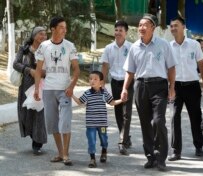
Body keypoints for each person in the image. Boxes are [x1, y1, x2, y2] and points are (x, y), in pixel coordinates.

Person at [121, 14, 177, 171]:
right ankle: (150, 156)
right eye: (139, 25)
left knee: (158, 121)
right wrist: (125, 88)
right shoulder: (134, 47)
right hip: (140, 86)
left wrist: (172, 87)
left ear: (153, 27)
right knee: (145, 123)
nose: (141, 28)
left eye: (145, 25)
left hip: (159, 86)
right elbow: (130, 71)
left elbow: (171, 67)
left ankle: (161, 157)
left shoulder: (164, 45)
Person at [34, 16, 80, 166]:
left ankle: (66, 154)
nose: (65, 30)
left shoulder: (69, 46)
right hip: (48, 90)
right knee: (53, 123)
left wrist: (71, 86)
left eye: (65, 28)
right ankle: (60, 153)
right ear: (52, 29)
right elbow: (39, 69)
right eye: (61, 27)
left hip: (65, 90)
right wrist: (36, 89)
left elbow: (76, 69)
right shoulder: (44, 46)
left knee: (65, 122)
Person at [168, 16, 203, 161]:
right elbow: (167, 68)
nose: (173, 28)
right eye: (171, 26)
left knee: (195, 117)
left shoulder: (194, 45)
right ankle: (175, 150)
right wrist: (170, 88)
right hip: (176, 87)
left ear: (183, 27)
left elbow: (202, 66)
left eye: (176, 25)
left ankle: (199, 146)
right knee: (174, 117)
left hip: (192, 86)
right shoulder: (169, 46)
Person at [72, 71, 123, 168]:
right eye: (91, 79)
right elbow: (79, 102)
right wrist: (72, 95)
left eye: (95, 79)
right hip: (91, 124)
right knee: (91, 141)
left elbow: (112, 103)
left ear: (101, 82)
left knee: (104, 139)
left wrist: (121, 100)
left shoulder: (104, 93)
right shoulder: (87, 93)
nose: (92, 81)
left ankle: (104, 151)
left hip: (102, 124)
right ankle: (92, 159)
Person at [100, 20, 133, 155]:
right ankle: (125, 137)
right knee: (118, 112)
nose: (118, 33)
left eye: (121, 30)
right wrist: (101, 83)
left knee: (127, 113)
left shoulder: (132, 47)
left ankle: (122, 142)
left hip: (129, 82)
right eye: (116, 30)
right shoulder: (108, 48)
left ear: (126, 32)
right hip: (115, 82)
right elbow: (105, 67)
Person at [13, 26, 47, 155]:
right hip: (26, 86)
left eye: (45, 34)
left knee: (39, 113)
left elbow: (51, 67)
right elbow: (16, 64)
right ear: (33, 36)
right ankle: (33, 135)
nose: (43, 36)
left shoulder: (47, 50)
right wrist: (29, 70)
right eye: (40, 34)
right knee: (25, 113)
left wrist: (41, 72)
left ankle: (37, 142)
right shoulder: (24, 49)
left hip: (42, 85)